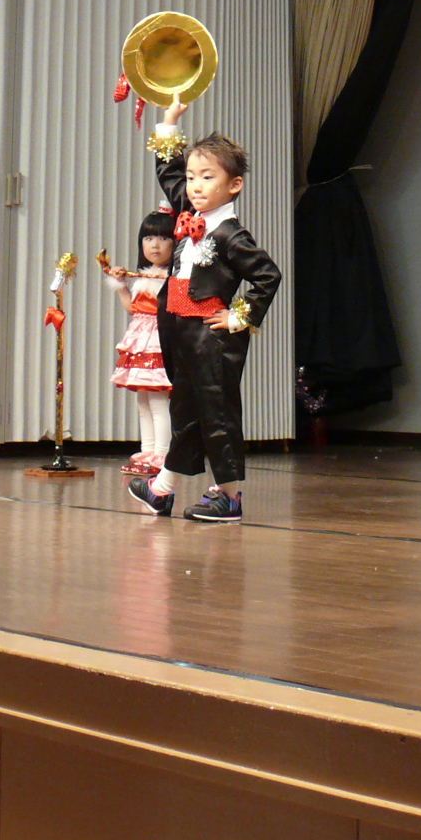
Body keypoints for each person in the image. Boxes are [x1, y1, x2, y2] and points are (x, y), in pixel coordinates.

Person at [127, 100, 282, 524]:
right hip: (181, 330)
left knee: (216, 413)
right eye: (193, 176)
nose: (194, 185)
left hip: (210, 336)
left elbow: (268, 275)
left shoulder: (233, 235)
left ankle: (229, 497)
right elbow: (168, 172)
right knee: (185, 411)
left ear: (234, 185)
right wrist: (169, 121)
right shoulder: (188, 213)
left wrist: (239, 317)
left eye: (207, 177)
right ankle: (163, 489)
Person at [103, 208, 176, 476]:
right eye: (148, 238)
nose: (155, 245)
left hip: (160, 340)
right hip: (141, 339)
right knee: (144, 400)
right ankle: (148, 450)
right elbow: (133, 309)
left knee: (157, 400)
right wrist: (121, 284)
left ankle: (163, 454)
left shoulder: (173, 278)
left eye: (163, 238)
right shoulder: (144, 276)